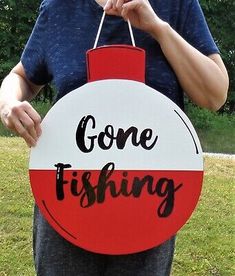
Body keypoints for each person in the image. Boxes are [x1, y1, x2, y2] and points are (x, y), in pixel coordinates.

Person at [0, 0, 229, 275]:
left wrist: (158, 28)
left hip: (150, 199)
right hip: (66, 197)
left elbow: (215, 95)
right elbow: (22, 76)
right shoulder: (59, 8)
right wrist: (8, 102)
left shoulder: (177, 5)